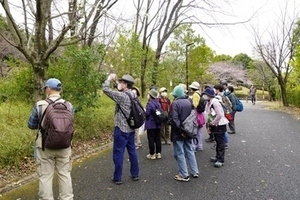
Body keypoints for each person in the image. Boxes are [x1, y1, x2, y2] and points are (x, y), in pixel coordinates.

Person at [27, 78, 74, 200]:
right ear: (61, 90)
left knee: (45, 176)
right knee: (64, 174)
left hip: (44, 147)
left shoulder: (40, 105)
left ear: (48, 89)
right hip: (64, 145)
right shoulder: (69, 105)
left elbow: (31, 125)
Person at [102, 74, 139, 185]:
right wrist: (115, 83)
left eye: (122, 82)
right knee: (132, 151)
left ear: (126, 84)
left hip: (121, 129)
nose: (120, 84)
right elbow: (118, 91)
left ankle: (117, 177)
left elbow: (106, 90)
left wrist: (108, 79)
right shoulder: (133, 95)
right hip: (131, 129)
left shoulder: (122, 97)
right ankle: (135, 174)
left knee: (118, 153)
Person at [170, 85, 199, 182]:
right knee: (189, 150)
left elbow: (174, 119)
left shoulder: (175, 103)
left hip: (179, 132)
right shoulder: (189, 102)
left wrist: (180, 131)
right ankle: (195, 171)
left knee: (179, 153)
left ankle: (184, 174)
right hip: (189, 131)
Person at [203, 87, 229, 168]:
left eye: (206, 95)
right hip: (215, 124)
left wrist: (213, 123)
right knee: (217, 141)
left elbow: (220, 114)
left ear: (209, 95)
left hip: (220, 125)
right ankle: (218, 157)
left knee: (220, 142)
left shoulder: (215, 102)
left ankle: (220, 159)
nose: (205, 96)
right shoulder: (209, 102)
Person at [145, 89, 162, 159]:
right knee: (158, 138)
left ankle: (152, 154)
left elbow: (147, 114)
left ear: (150, 96)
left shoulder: (149, 104)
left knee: (151, 139)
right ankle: (158, 153)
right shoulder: (158, 103)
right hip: (158, 123)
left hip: (151, 124)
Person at [188, 81, 203, 151]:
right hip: (200, 115)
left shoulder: (195, 95)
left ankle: (194, 146)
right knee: (199, 132)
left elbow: (194, 105)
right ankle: (199, 145)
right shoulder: (199, 94)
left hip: (196, 114)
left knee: (194, 131)